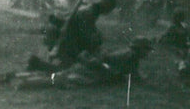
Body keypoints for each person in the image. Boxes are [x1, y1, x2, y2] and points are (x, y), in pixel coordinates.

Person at [18, 37, 154, 90]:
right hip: (90, 72)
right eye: (146, 49)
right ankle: (26, 82)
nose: (147, 53)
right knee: (58, 79)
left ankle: (25, 77)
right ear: (139, 49)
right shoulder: (128, 55)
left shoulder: (131, 56)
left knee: (57, 77)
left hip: (93, 71)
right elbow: (105, 61)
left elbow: (132, 74)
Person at [28, 0, 118, 72]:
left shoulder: (91, 10)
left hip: (63, 34)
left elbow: (86, 28)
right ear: (106, 6)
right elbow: (81, 31)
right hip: (64, 37)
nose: (109, 12)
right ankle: (37, 63)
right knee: (68, 69)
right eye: (110, 8)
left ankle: (37, 64)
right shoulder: (90, 12)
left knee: (69, 65)